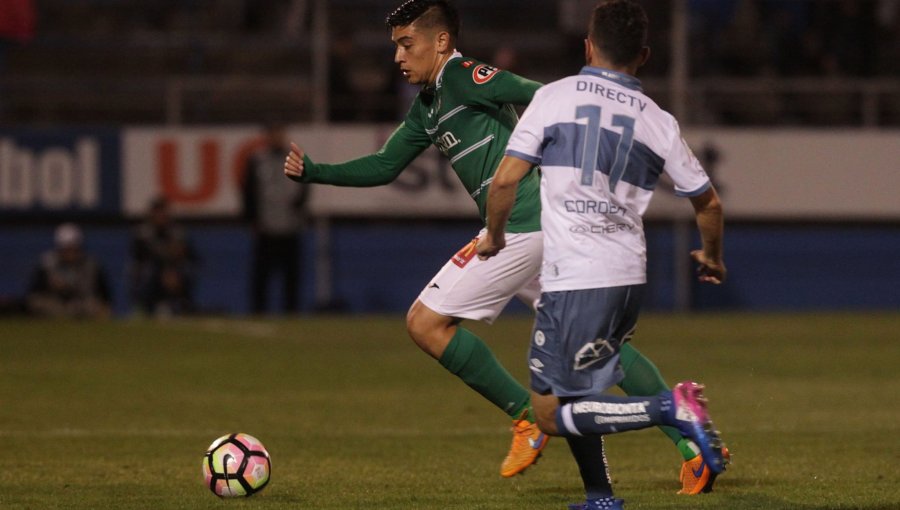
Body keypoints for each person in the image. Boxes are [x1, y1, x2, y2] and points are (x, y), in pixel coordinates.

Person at [284, 0, 719, 489]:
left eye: (407, 44)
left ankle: (525, 417)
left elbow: (542, 95)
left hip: (520, 224)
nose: (398, 57)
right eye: (396, 47)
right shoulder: (429, 105)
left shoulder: (465, 76)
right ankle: (691, 442)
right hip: (542, 228)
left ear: (441, 42)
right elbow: (385, 166)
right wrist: (315, 172)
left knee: (426, 323)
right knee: (604, 352)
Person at [475, 1, 728, 507]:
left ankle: (669, 408)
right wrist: (711, 256)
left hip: (576, 276)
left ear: (588, 46)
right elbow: (709, 202)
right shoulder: (657, 120)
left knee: (548, 412)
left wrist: (495, 236)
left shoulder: (553, 97)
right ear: (645, 55)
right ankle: (599, 496)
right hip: (628, 276)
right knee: (575, 393)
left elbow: (504, 181)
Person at [242, 122, 310, 314]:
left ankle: (291, 312)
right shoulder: (257, 159)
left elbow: (305, 187)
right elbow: (248, 190)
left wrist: (299, 210)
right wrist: (252, 218)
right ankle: (258, 311)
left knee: (292, 276)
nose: (276, 138)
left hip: (290, 226)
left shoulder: (295, 158)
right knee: (261, 275)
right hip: (266, 227)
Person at [26, 223, 112, 319]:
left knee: (94, 307)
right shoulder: (47, 263)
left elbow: (105, 296)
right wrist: (52, 286)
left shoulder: (91, 265)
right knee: (39, 304)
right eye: (66, 248)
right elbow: (33, 294)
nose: (70, 252)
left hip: (81, 304)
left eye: (73, 248)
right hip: (56, 304)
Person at [129, 196, 197, 317]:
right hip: (152, 273)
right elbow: (140, 256)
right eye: (158, 212)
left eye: (164, 212)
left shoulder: (177, 231)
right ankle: (144, 305)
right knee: (145, 271)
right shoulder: (143, 233)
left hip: (174, 271)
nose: (161, 216)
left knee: (186, 270)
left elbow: (190, 256)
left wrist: (172, 266)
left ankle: (181, 305)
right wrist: (164, 266)